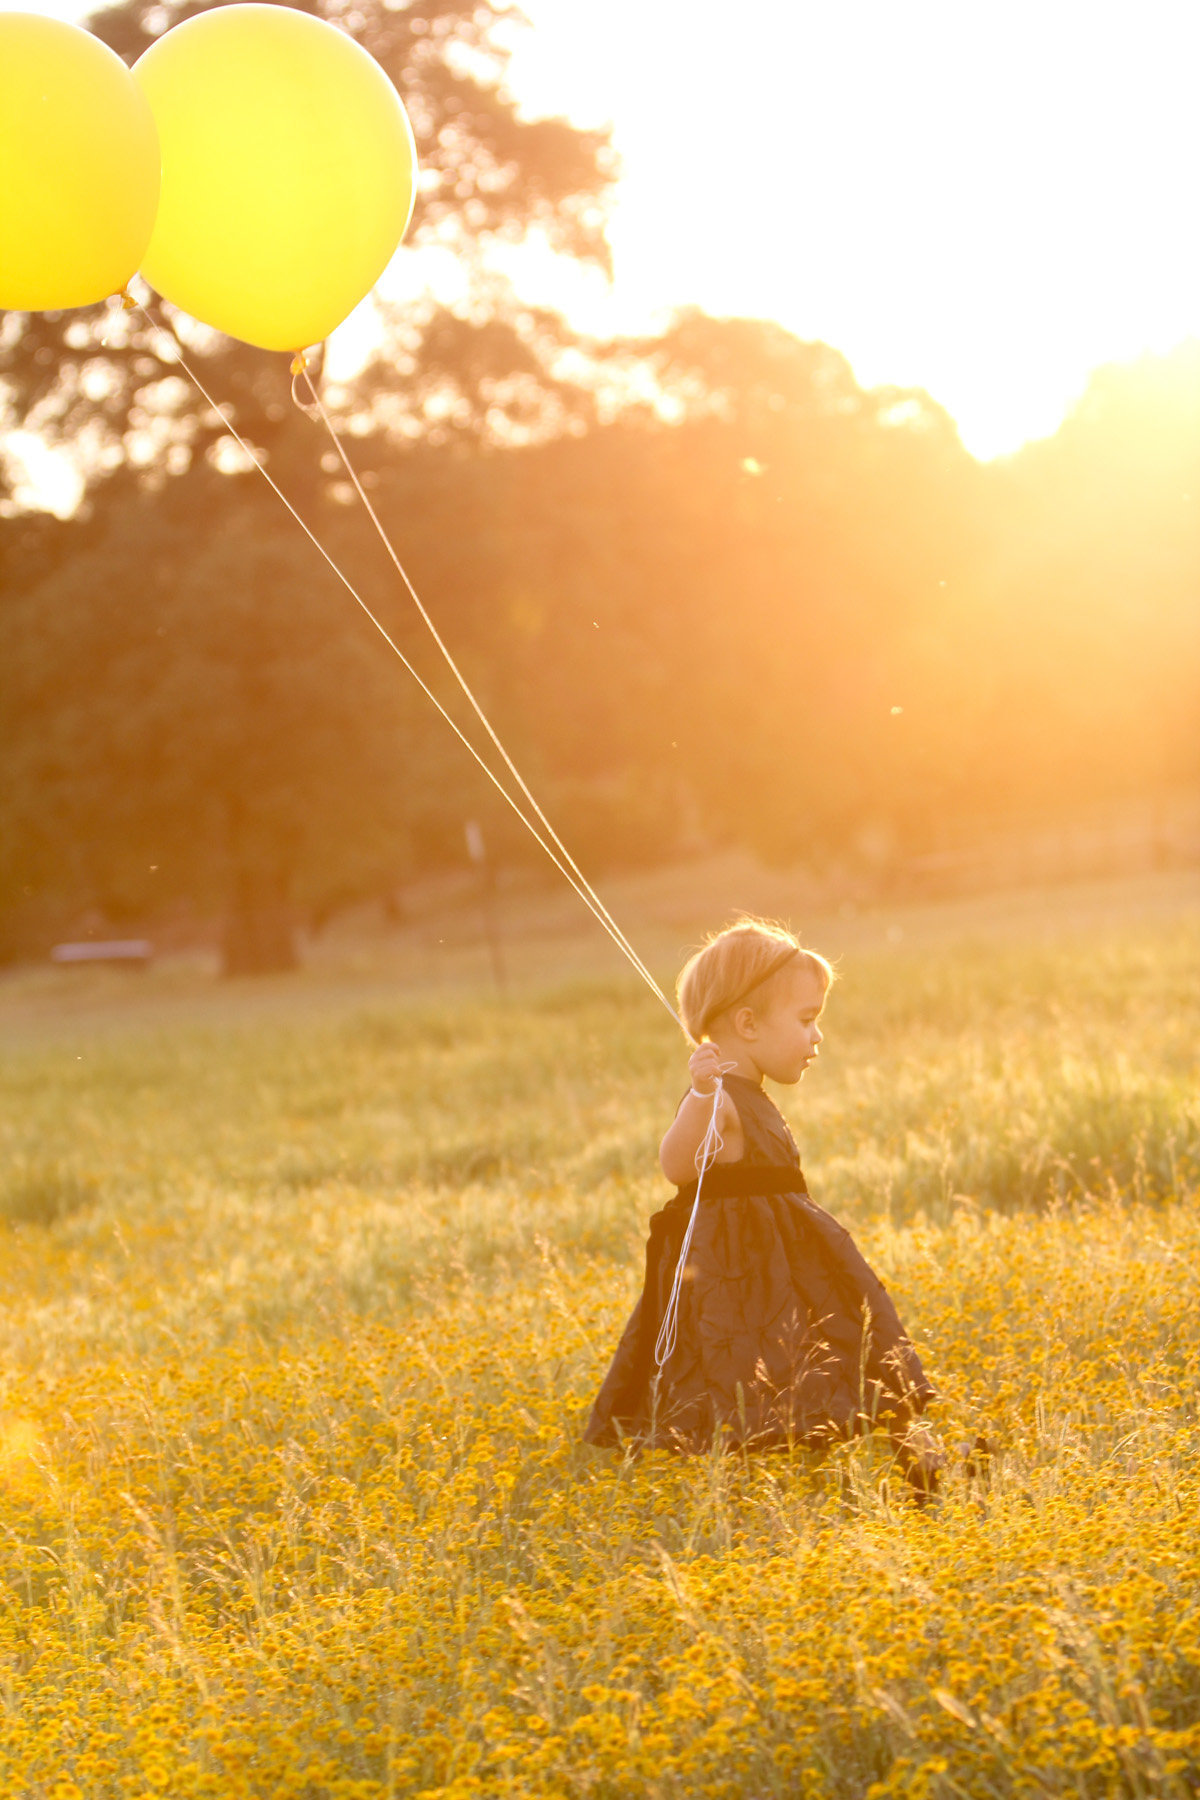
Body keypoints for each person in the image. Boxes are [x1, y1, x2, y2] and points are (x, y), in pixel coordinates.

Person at [583, 917, 941, 1497]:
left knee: (856, 1339)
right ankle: (760, 1496)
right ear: (746, 1024)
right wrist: (700, 1095)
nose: (818, 1036)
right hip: (741, 1275)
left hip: (791, 1263)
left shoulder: (754, 1096)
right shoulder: (719, 1099)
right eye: (807, 1020)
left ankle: (919, 1465)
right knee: (751, 1377)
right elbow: (677, 1164)